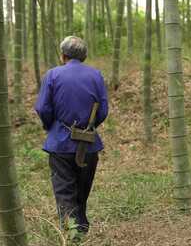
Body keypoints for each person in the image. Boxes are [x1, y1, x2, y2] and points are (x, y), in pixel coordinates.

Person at [34, 36, 109, 234]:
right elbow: (103, 111)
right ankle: (80, 230)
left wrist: (52, 127)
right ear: (84, 56)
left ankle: (73, 235)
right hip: (89, 145)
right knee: (82, 192)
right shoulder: (96, 75)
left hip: (60, 144)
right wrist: (89, 128)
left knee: (65, 193)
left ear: (63, 55)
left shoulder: (52, 75)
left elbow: (42, 108)